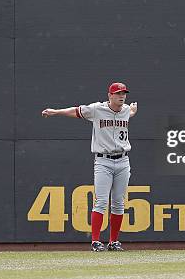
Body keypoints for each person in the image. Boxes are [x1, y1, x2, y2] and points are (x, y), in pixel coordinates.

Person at [41, 82, 138, 251]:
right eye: (118, 93)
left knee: (118, 203)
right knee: (100, 201)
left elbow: (129, 112)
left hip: (123, 161)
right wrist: (56, 112)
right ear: (110, 95)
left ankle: (113, 242)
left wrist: (132, 111)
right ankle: (95, 241)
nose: (122, 96)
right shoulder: (97, 109)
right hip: (103, 161)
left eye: (124, 93)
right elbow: (76, 110)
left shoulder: (126, 109)